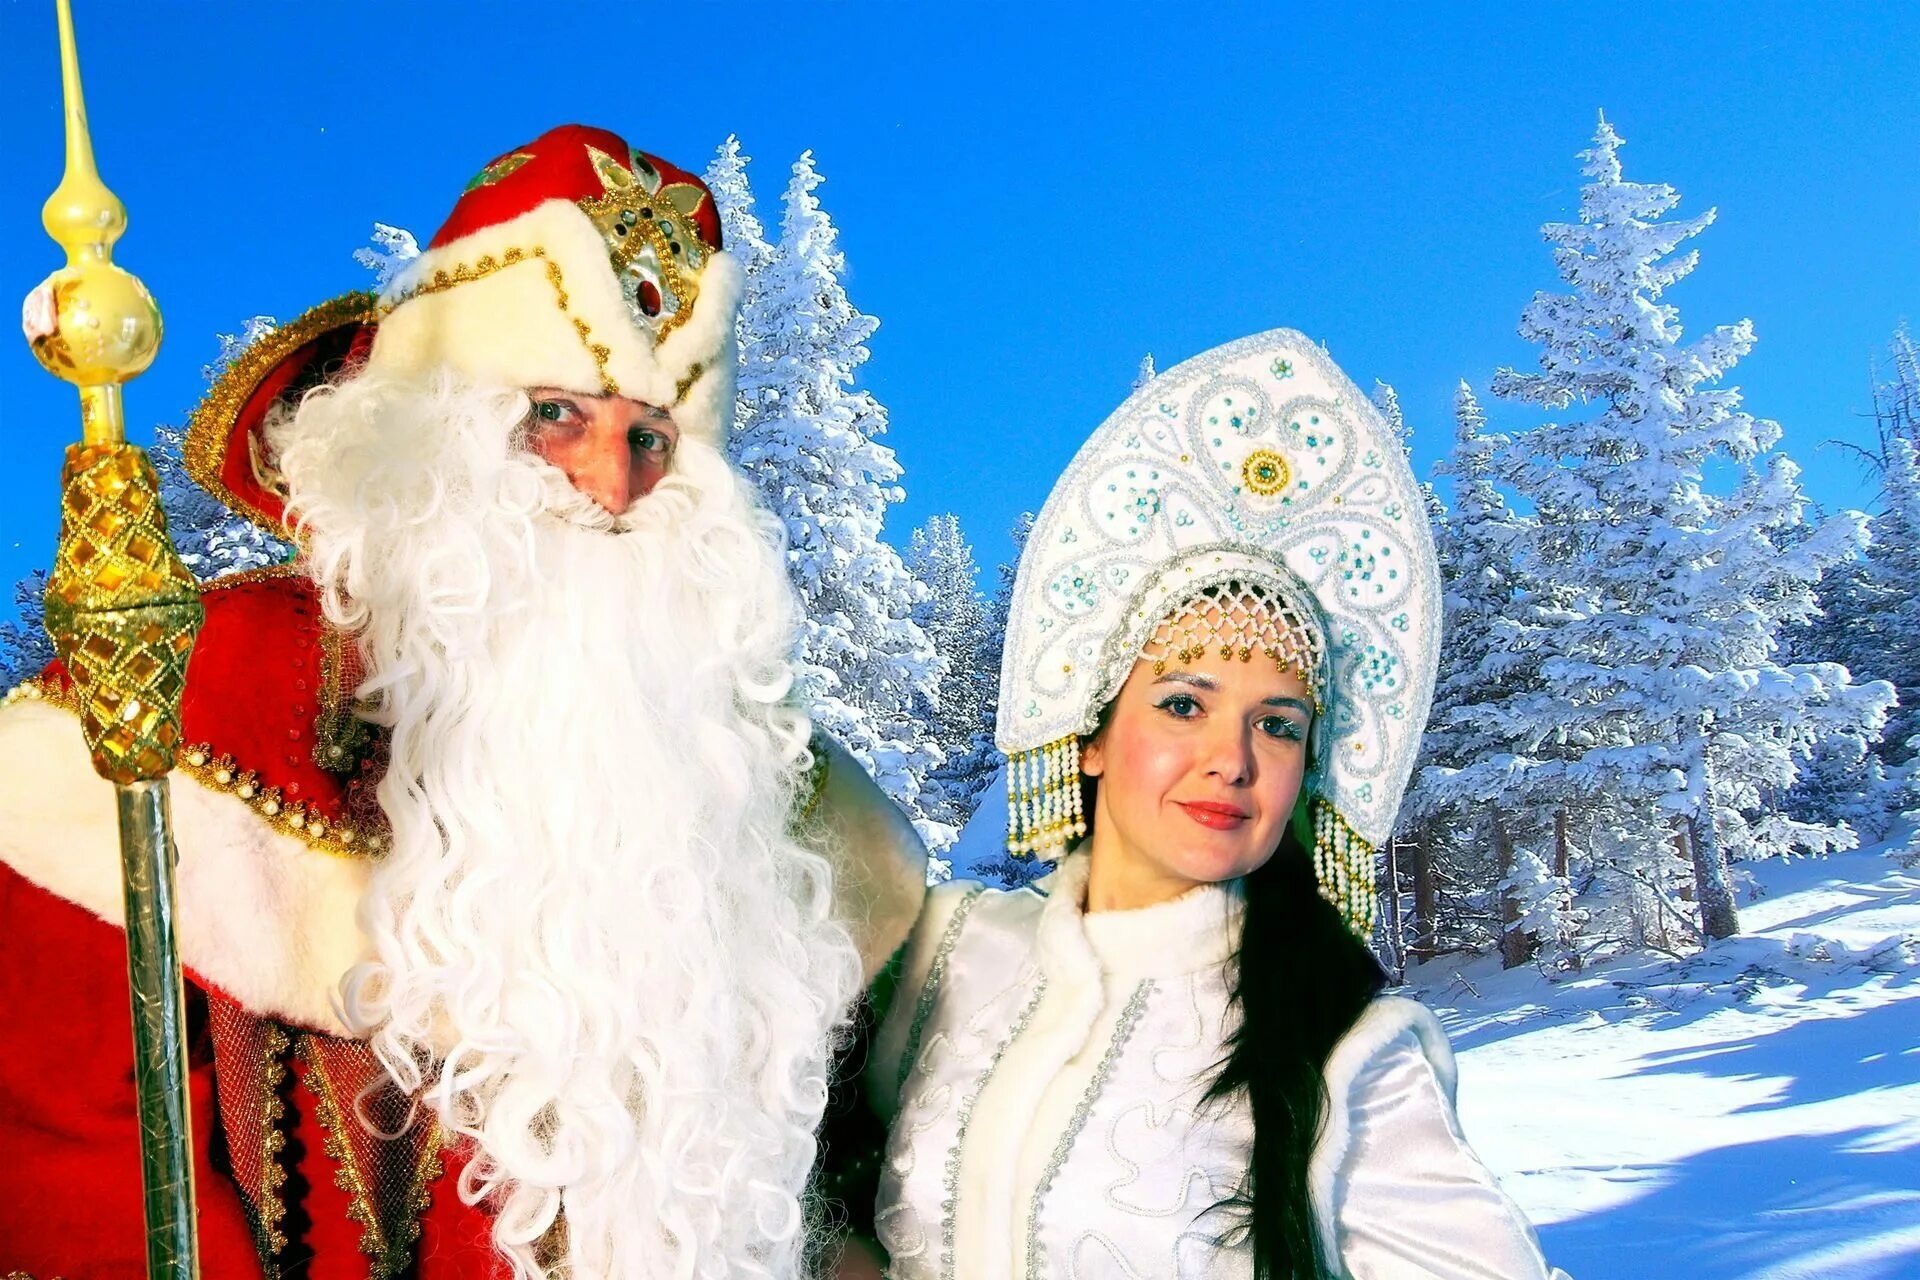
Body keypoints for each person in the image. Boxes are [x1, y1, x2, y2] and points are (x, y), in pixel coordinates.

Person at [0, 124, 926, 1280]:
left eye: (653, 437)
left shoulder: (761, 791)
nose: (611, 483)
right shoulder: (204, 697)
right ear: (431, 430)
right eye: (555, 415)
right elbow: (76, 1151)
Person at [861, 330, 1570, 1278]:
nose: (1232, 759)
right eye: (1184, 703)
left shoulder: (1347, 1053)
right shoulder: (947, 950)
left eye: (1278, 725)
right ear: (1095, 737)